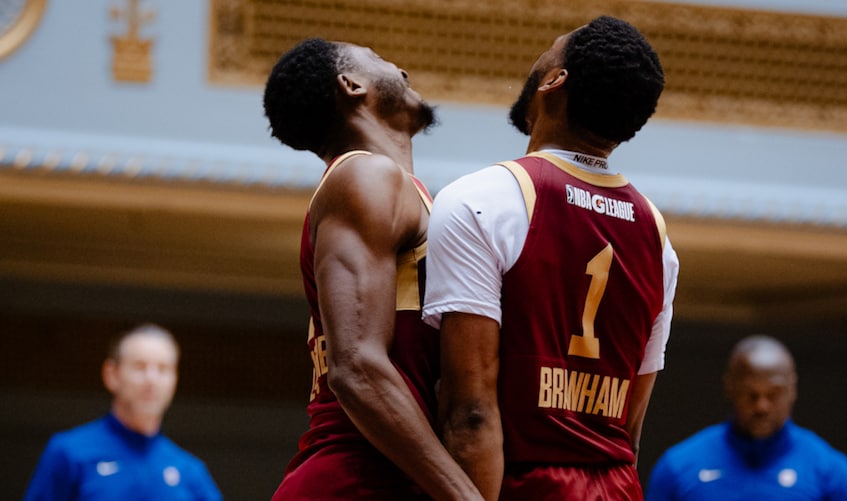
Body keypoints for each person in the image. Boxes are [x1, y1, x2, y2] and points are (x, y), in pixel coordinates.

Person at [423, 15, 679, 501]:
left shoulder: (481, 199)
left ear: (554, 80)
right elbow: (630, 426)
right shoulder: (656, 234)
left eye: (549, 50)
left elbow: (470, 415)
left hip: (522, 485)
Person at [262, 38, 481, 500]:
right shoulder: (365, 176)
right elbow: (356, 368)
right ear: (351, 84)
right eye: (378, 58)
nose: (401, 70)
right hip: (353, 481)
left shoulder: (397, 189)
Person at [645, 335, 847, 501]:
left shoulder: (830, 471)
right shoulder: (678, 467)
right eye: (751, 394)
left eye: (773, 394)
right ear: (730, 388)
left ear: (792, 390)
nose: (761, 406)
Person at [23, 323, 222, 501]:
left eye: (163, 369)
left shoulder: (189, 472)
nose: (151, 380)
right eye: (139, 367)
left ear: (174, 380)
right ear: (112, 374)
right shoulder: (70, 453)